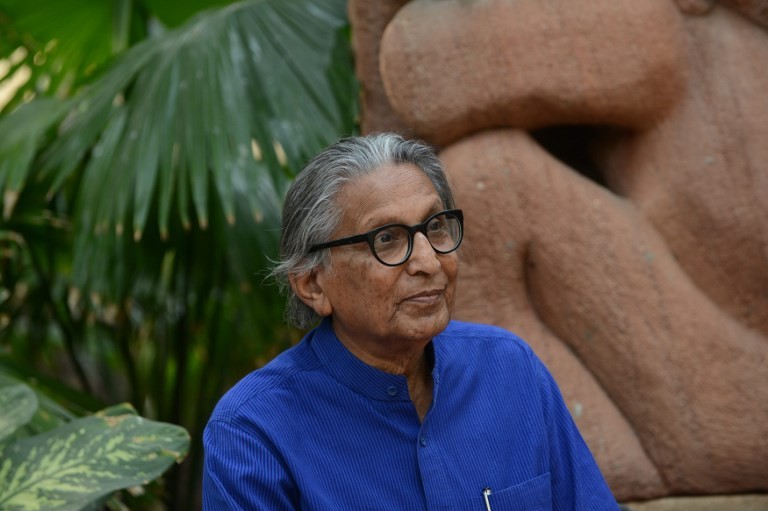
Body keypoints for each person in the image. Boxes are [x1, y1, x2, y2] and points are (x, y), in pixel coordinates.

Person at [202, 133, 620, 510]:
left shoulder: (510, 371)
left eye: (435, 227)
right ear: (313, 284)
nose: (428, 261)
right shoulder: (252, 433)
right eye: (386, 239)